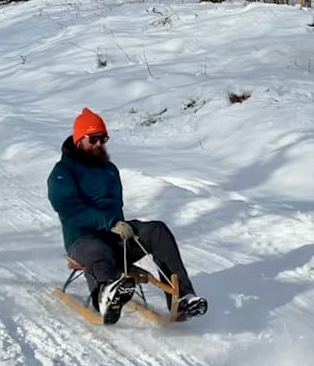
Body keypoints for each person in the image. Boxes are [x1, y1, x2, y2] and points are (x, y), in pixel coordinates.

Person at [47, 107, 207, 324]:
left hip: (116, 236)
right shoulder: (62, 173)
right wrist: (109, 223)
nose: (99, 144)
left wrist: (119, 227)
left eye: (103, 139)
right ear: (78, 141)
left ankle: (182, 299)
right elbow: (70, 210)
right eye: (93, 139)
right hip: (83, 240)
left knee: (156, 230)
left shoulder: (109, 169)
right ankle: (105, 297)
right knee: (98, 249)